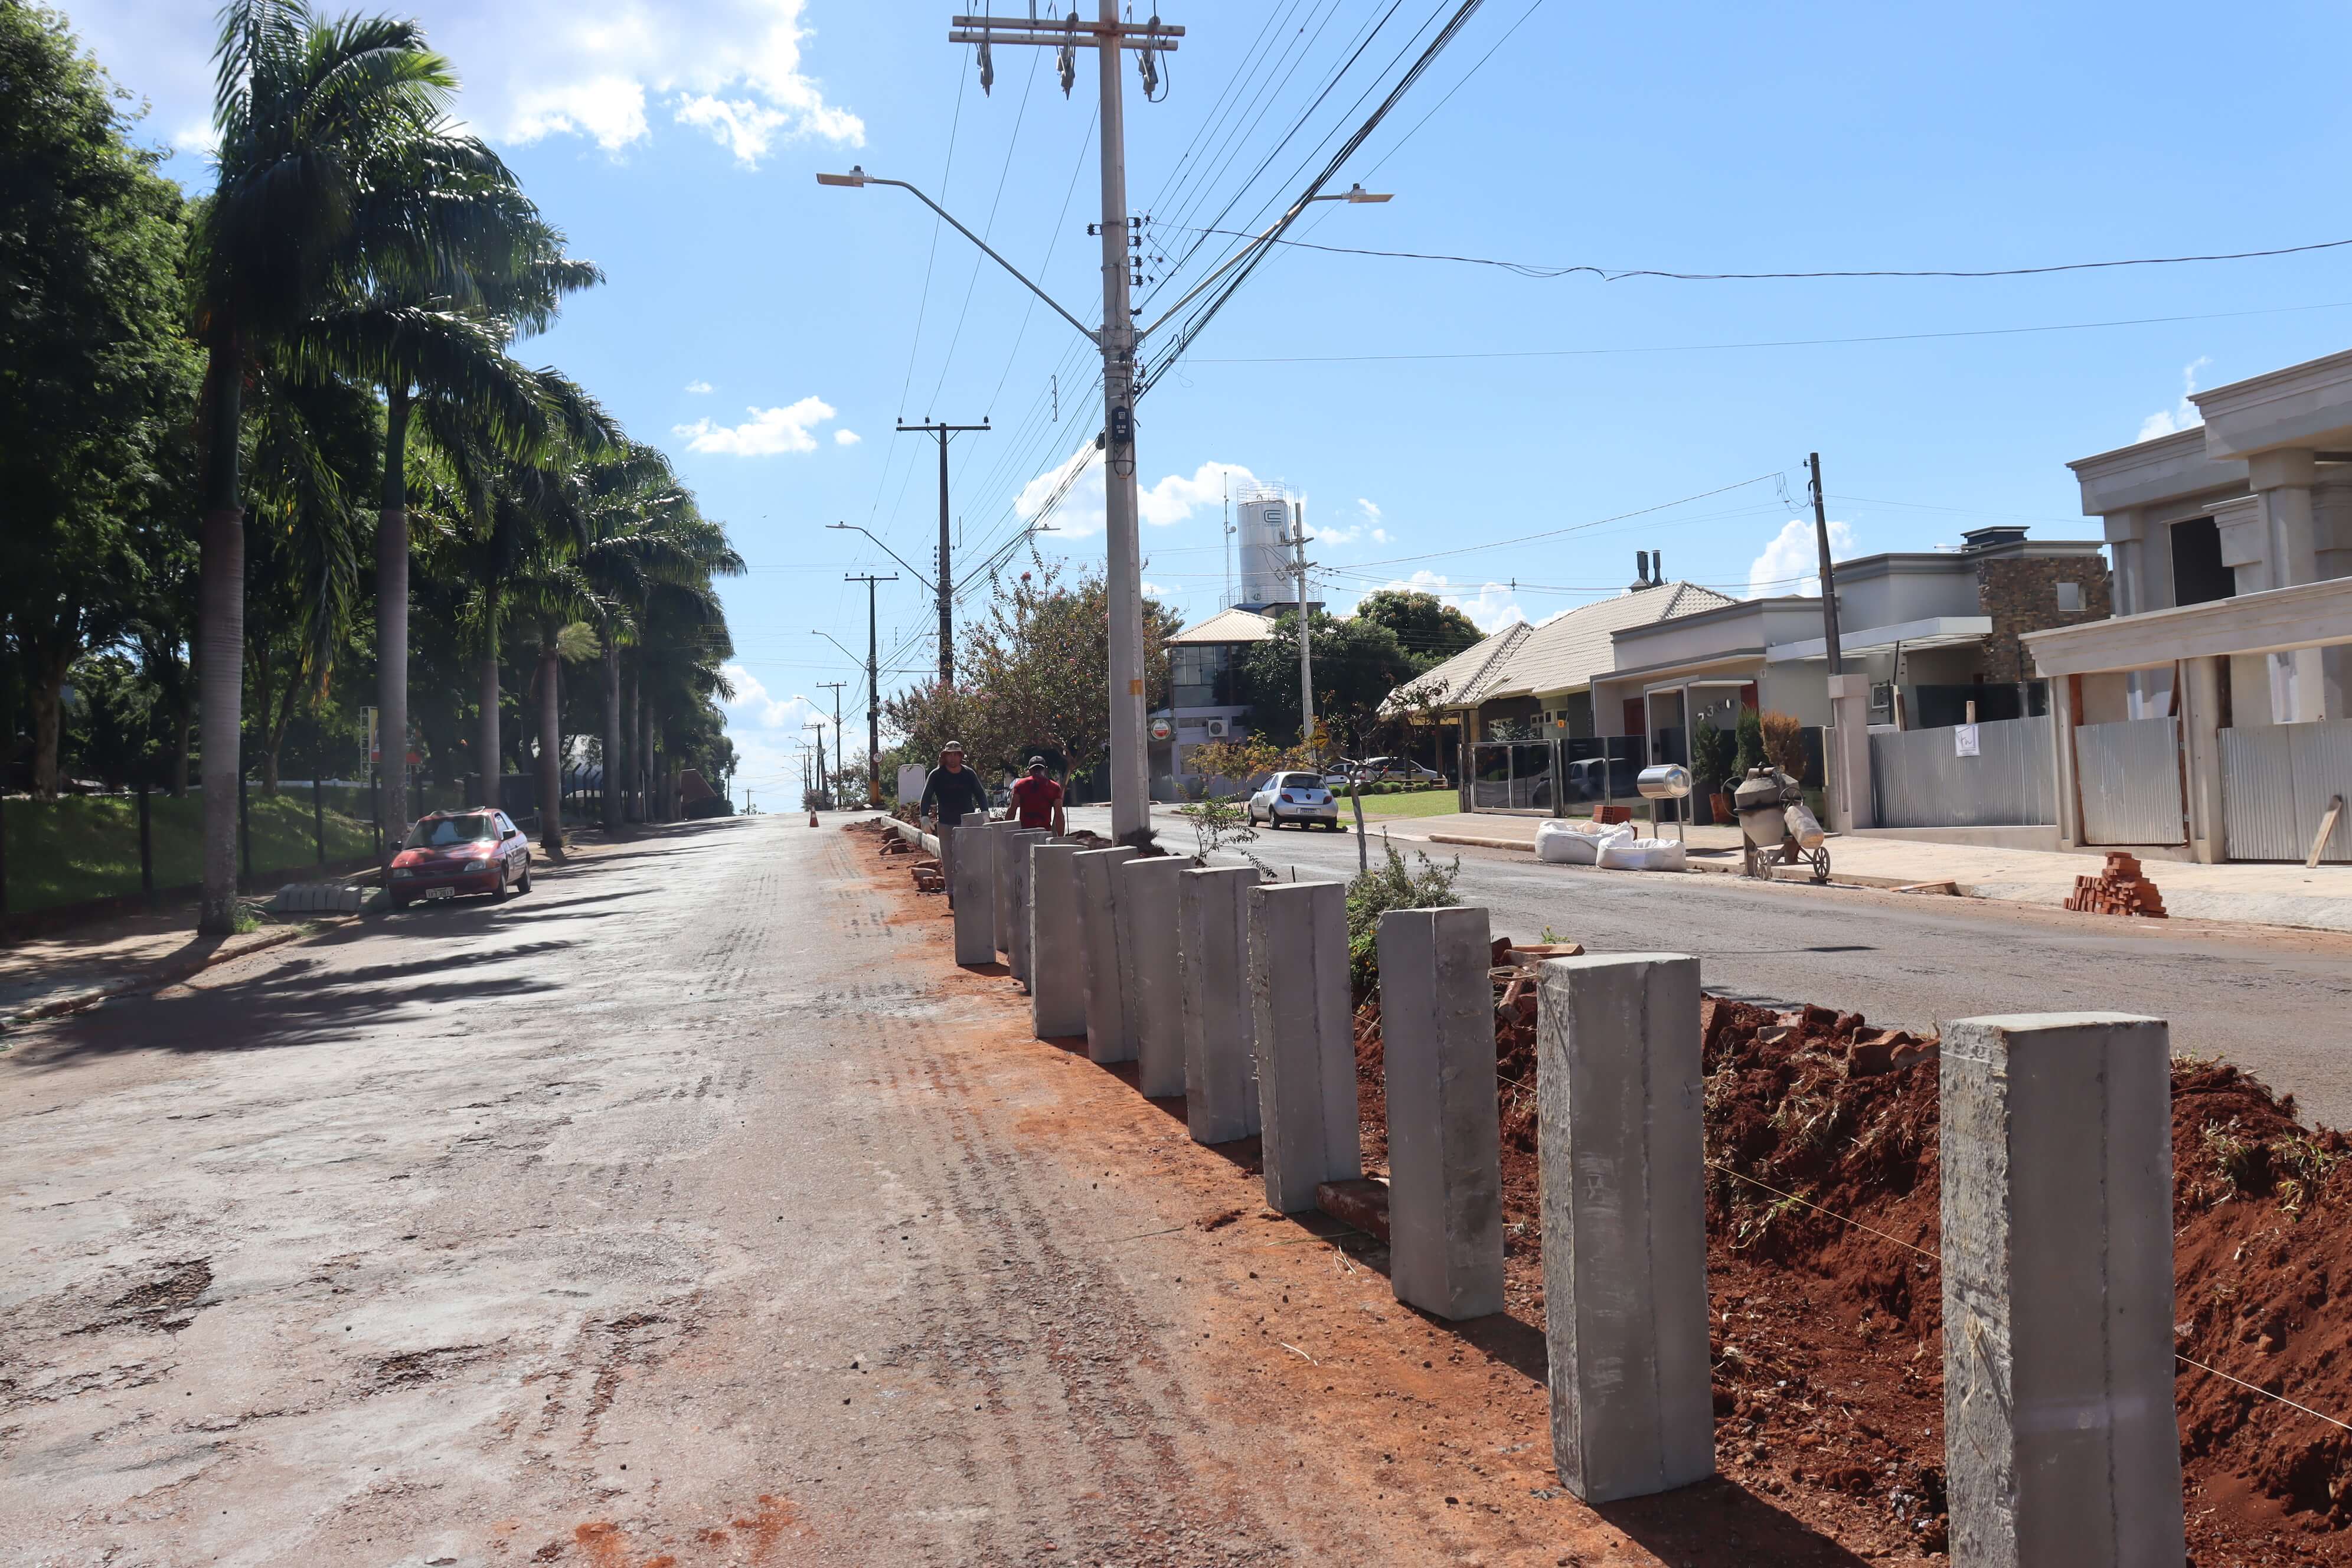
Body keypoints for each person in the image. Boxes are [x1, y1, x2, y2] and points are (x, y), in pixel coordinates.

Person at [919, 741, 990, 907]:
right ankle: (952, 893)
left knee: (970, 857)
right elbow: (927, 795)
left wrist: (985, 812)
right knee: (949, 859)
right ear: (945, 756)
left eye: (956, 754)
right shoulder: (937, 775)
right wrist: (924, 816)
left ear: (961, 756)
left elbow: (980, 793)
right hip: (946, 823)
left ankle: (970, 890)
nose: (953, 758)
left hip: (968, 823)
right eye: (950, 754)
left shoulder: (968, 774)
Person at [1005, 756, 1065, 834]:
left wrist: (1005, 834)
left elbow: (1012, 810)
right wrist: (1060, 839)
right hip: (1045, 833)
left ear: (1029, 770)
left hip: (1025, 834)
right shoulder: (1054, 787)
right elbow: (1059, 815)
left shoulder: (1020, 785)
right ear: (1045, 770)